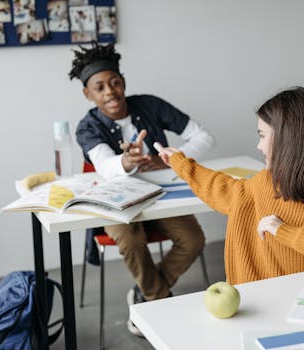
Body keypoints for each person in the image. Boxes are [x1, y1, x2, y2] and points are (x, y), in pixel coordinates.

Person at [155, 86, 304, 285]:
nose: (259, 146)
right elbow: (223, 189)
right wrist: (180, 162)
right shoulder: (265, 183)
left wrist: (285, 231)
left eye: (262, 136)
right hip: (261, 304)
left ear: (289, 141)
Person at [69, 42, 215, 336]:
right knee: (130, 238)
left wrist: (172, 161)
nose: (110, 92)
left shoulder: (150, 104)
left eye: (115, 83)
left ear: (123, 82)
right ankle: (157, 300)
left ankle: (144, 292)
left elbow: (204, 137)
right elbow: (104, 166)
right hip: (116, 204)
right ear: (88, 94)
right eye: (100, 88)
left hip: (159, 197)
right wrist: (124, 161)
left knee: (194, 238)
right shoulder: (87, 127)